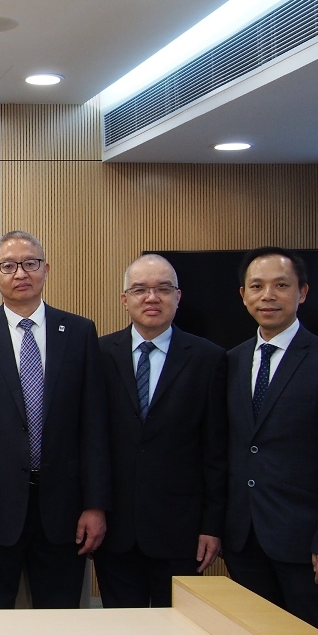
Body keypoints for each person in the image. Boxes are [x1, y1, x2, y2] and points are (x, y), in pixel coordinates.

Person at [0, 230, 108, 609]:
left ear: (46, 269)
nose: (20, 273)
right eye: (8, 266)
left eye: (30, 263)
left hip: (64, 508)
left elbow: (94, 427)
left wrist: (96, 504)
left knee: (60, 622)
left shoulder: (80, 332)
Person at [224, 246, 318, 635]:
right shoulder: (232, 361)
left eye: (281, 285)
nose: (268, 296)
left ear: (302, 292)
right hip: (245, 541)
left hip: (309, 546)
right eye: (257, 286)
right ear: (244, 295)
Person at [94, 254, 227, 608]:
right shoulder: (98, 354)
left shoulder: (209, 359)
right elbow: (90, 443)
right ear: (125, 299)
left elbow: (216, 451)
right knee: (123, 632)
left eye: (163, 289)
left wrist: (212, 525)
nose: (152, 298)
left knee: (179, 632)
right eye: (140, 290)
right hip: (115, 531)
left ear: (178, 297)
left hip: (181, 532)